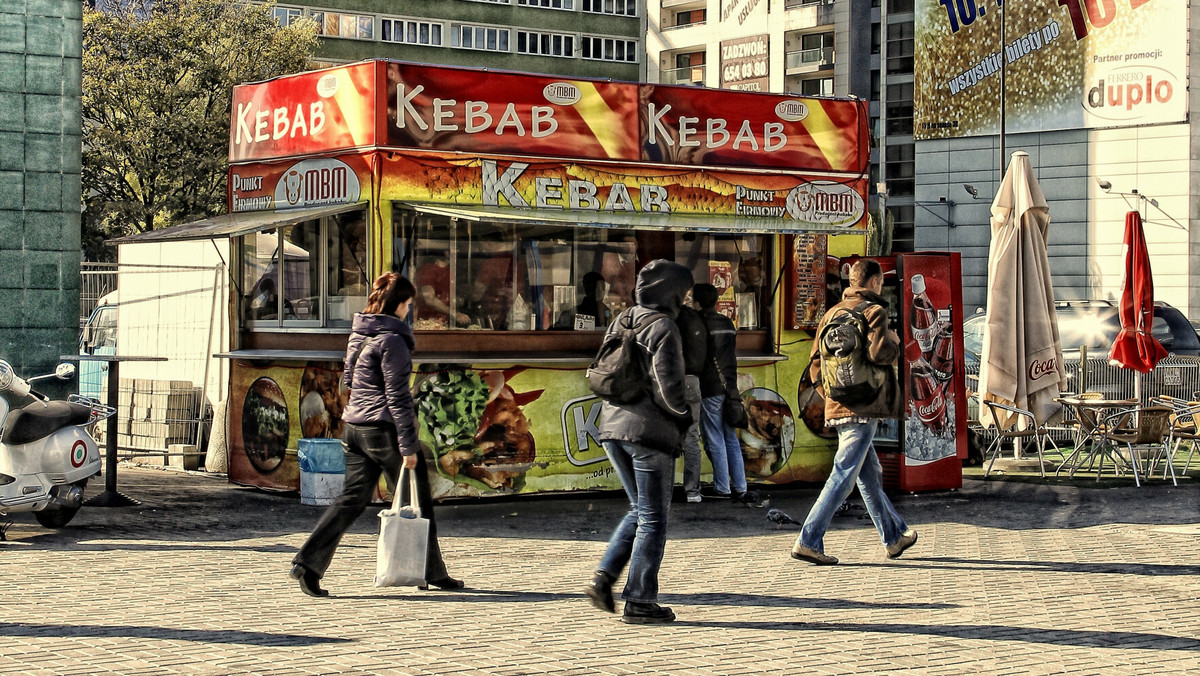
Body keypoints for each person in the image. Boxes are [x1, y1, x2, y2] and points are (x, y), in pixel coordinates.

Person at [290, 272, 463, 597]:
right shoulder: (393, 341)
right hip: (383, 431)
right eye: (409, 304)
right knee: (419, 498)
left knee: (351, 499)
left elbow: (350, 379)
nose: (409, 311)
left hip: (354, 429)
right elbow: (397, 396)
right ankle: (434, 572)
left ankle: (308, 562)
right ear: (398, 305)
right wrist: (409, 446)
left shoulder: (360, 334)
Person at [584, 259, 694, 624]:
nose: (688, 298)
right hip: (648, 433)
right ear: (672, 291)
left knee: (640, 510)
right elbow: (669, 388)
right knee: (653, 519)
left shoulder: (623, 317)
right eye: (685, 291)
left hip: (613, 426)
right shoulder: (663, 327)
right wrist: (683, 418)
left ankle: (603, 579)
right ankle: (640, 601)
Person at [790, 258, 917, 566]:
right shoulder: (875, 311)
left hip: (838, 405)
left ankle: (894, 536)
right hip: (864, 405)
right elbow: (877, 352)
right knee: (844, 474)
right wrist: (895, 344)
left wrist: (831, 395)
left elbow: (815, 365)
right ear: (874, 282)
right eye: (881, 282)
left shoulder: (831, 314)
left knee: (869, 474)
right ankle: (808, 539)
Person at [693, 283, 749, 503]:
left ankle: (722, 488)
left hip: (710, 386)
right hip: (731, 385)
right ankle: (741, 486)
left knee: (715, 437)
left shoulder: (699, 324)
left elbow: (698, 358)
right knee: (730, 438)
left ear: (697, 302)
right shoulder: (727, 322)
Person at [675, 288, 708, 503]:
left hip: (674, 381)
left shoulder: (672, 320)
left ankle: (663, 489)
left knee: (667, 436)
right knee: (692, 437)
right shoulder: (699, 319)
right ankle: (693, 491)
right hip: (695, 381)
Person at [415, 252, 468, 328]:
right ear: (445, 252)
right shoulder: (428, 270)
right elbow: (429, 299)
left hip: (446, 326)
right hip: (429, 326)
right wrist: (455, 314)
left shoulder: (451, 271)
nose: (457, 251)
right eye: (454, 248)